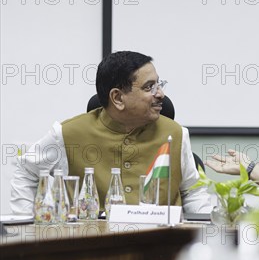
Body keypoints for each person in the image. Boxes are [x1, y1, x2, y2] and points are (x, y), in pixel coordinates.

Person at [10, 51, 212, 214]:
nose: (160, 94)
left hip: (160, 247)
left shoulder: (175, 134)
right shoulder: (68, 134)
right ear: (117, 98)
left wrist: (205, 225)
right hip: (93, 249)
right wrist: (26, 223)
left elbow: (193, 191)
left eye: (159, 84)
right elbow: (25, 169)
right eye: (149, 87)